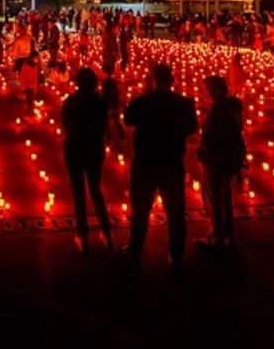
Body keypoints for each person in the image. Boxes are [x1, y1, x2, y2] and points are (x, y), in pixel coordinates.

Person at [123, 63, 197, 272]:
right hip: (172, 162)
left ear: (152, 79)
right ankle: (175, 255)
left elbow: (128, 120)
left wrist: (145, 95)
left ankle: (135, 253)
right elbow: (191, 127)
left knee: (140, 211)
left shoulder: (142, 102)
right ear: (172, 80)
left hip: (145, 163)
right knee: (175, 212)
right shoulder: (184, 103)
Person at [60, 67, 113, 254]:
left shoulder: (70, 102)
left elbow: (65, 124)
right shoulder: (101, 102)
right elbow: (104, 125)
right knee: (96, 191)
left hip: (74, 150)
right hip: (94, 150)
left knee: (79, 194)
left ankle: (82, 236)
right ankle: (107, 232)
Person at [194, 76, 247, 255]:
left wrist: (204, 152)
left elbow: (215, 136)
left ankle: (216, 238)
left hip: (217, 160)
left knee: (213, 199)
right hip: (230, 159)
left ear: (216, 90)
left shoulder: (219, 109)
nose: (204, 93)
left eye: (206, 89)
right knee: (224, 197)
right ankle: (228, 235)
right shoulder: (232, 107)